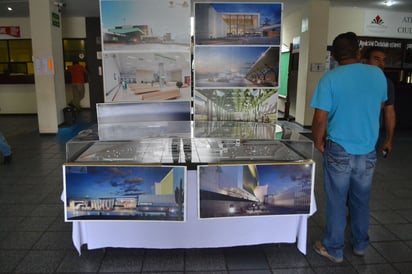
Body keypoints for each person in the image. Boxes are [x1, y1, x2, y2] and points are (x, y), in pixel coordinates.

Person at [310, 32, 387, 263]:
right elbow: (379, 105)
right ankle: (360, 244)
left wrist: (317, 140)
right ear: (359, 50)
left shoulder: (330, 79)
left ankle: (333, 248)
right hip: (367, 148)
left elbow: (320, 119)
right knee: (361, 199)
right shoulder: (377, 75)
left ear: (333, 56)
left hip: (339, 148)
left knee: (336, 199)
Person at [363, 46, 396, 154]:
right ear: (365, 61)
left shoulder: (387, 83)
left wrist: (389, 139)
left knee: (366, 168)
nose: (381, 64)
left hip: (372, 136)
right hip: (346, 134)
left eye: (383, 60)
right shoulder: (353, 80)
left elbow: (389, 113)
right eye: (376, 59)